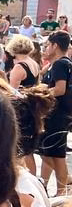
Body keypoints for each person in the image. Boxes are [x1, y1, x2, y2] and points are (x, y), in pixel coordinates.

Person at [39, 31, 72, 192]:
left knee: (57, 155)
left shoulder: (61, 64)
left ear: (55, 45)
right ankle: (46, 184)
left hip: (58, 114)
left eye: (47, 45)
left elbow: (59, 89)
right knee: (48, 152)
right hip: (55, 114)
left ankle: (62, 190)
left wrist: (37, 94)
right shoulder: (59, 63)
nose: (45, 48)